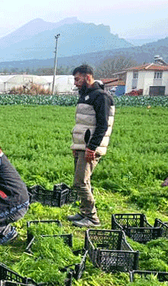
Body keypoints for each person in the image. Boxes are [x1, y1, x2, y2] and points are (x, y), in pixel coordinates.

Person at [67, 64, 115, 227]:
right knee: (83, 181)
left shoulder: (100, 96)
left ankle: (92, 218)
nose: (75, 83)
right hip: (82, 146)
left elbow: (102, 125)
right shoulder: (85, 95)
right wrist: (76, 146)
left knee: (80, 182)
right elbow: (83, 124)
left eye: (77, 78)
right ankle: (84, 212)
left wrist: (91, 147)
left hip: (90, 147)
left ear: (88, 76)